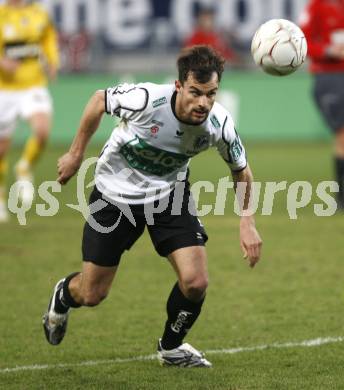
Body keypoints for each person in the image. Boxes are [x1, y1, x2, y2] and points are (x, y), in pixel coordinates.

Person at [42, 45, 262, 367]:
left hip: (169, 196)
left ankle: (171, 347)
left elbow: (241, 170)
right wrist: (76, 154)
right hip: (114, 196)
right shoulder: (146, 99)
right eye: (195, 92)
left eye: (211, 94)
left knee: (196, 282)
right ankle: (64, 294)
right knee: (92, 294)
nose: (203, 103)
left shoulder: (219, 124)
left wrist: (247, 221)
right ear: (178, 86)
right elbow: (97, 101)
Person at [0, 0, 59, 221]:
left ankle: (24, 167)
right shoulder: (1, 14)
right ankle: (0, 200)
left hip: (33, 85)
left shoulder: (39, 14)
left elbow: (48, 38)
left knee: (42, 130)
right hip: (4, 90)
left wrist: (53, 61)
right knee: (1, 149)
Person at [300, 0, 344, 209]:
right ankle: (342, 196)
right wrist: (328, 50)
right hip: (329, 76)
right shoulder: (316, 6)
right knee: (342, 133)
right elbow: (302, 42)